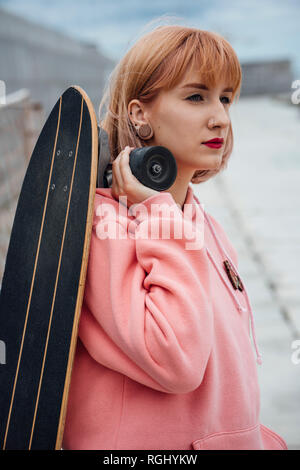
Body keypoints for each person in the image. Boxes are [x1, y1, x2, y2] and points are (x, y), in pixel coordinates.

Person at [62, 23, 288, 450]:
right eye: (196, 96)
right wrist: (160, 215)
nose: (219, 116)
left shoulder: (200, 222)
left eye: (225, 98)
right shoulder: (106, 226)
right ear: (139, 113)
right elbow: (176, 361)